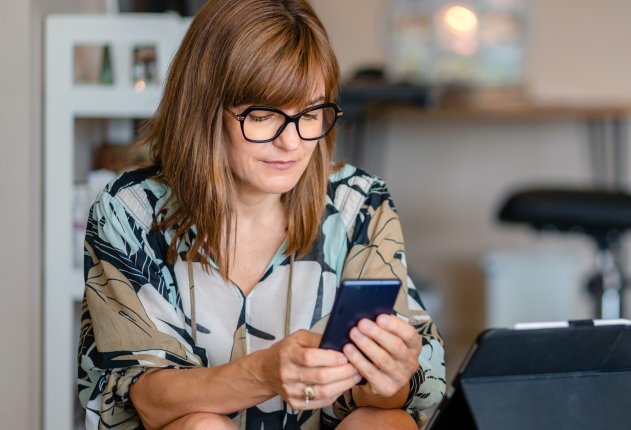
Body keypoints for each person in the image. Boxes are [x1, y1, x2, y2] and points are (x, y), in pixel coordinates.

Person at [76, 0, 446, 429]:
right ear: (205, 110)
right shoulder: (131, 211)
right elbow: (147, 399)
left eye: (310, 113)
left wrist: (387, 380)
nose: (292, 143)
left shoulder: (359, 202)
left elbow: (411, 392)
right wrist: (264, 372)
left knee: (386, 423)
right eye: (264, 114)